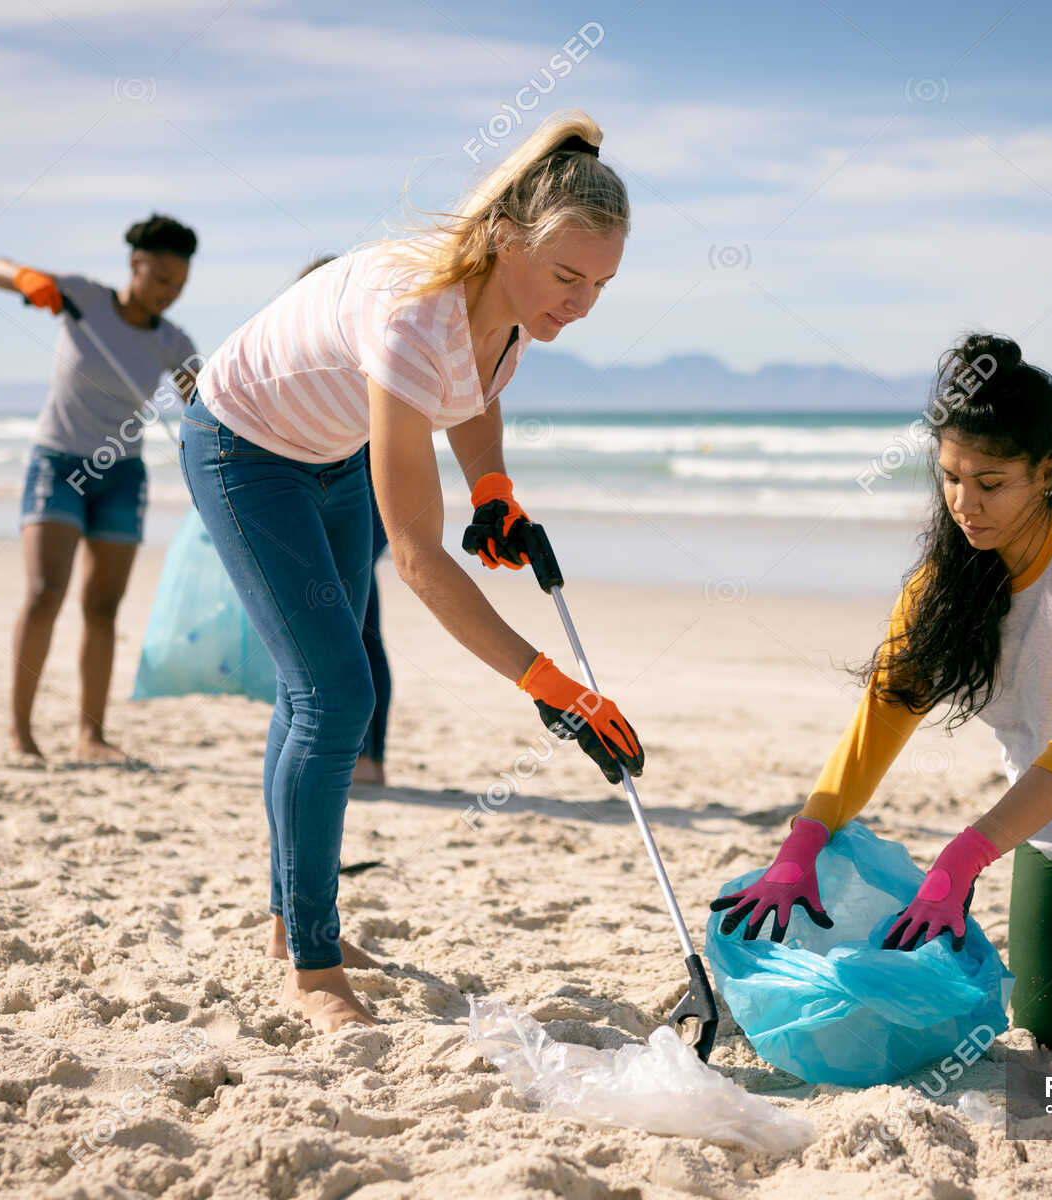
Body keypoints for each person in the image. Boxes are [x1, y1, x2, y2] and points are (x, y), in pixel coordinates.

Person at [179, 111, 641, 1032]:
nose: (581, 303)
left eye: (600, 284)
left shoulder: (510, 314)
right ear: (506, 239)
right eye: (565, 277)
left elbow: (473, 395)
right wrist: (551, 686)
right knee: (335, 696)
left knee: (312, 689)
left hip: (336, 453)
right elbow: (422, 561)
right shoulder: (411, 318)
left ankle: (290, 923)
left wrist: (494, 489)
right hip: (244, 451)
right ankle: (310, 970)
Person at [713, 333, 1052, 1055]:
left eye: (990, 482)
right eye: (950, 476)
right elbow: (881, 719)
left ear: (1045, 473)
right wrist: (803, 841)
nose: (963, 504)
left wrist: (961, 859)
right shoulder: (939, 588)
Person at [0, 214, 201, 763]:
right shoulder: (83, 298)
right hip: (58, 465)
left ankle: (90, 737)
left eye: (180, 284)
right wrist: (28, 281)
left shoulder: (174, 341)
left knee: (103, 609)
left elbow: (205, 406)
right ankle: (21, 735)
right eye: (161, 278)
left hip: (121, 475)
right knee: (45, 593)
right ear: (135, 265)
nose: (169, 293)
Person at [293, 253, 392, 787]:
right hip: (318, 501)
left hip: (369, 503)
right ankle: (346, 751)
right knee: (341, 625)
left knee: (359, 624)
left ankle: (369, 757)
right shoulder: (300, 357)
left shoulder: (374, 357)